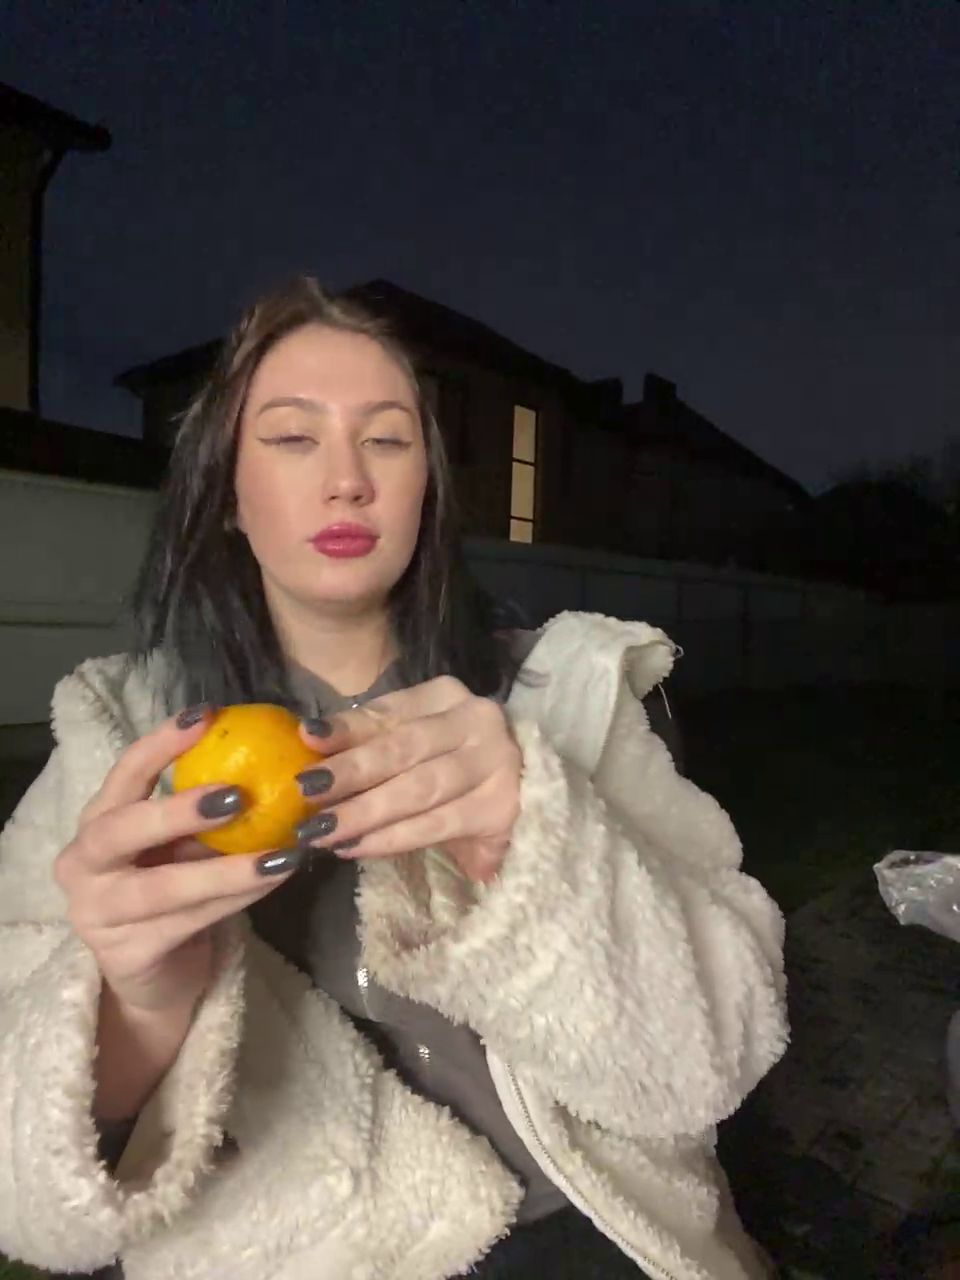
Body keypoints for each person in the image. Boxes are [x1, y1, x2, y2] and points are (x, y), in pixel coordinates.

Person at [0, 277, 788, 1280]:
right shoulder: (118, 737)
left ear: (427, 488)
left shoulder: (574, 692)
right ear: (228, 496)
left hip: (584, 1232)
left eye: (386, 438)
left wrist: (540, 852)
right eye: (293, 438)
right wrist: (139, 1005)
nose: (347, 480)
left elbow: (719, 1055)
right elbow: (25, 1197)